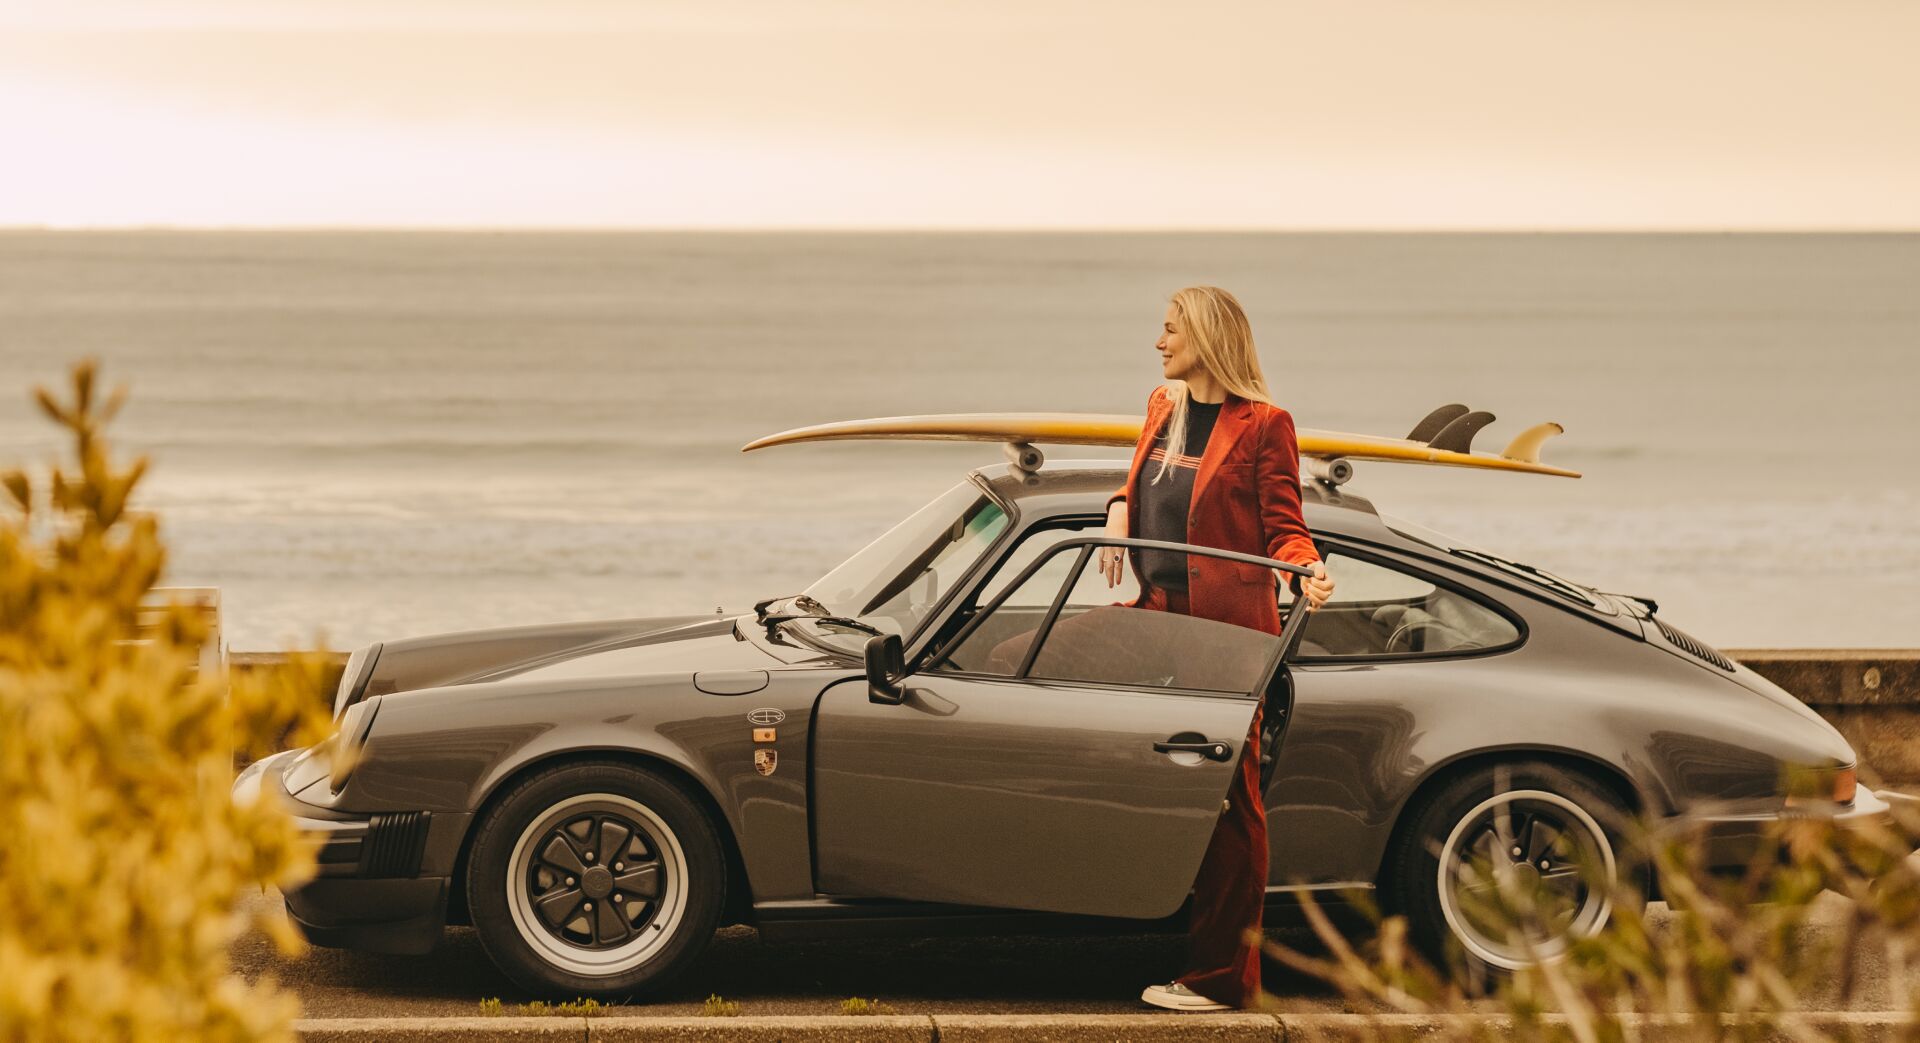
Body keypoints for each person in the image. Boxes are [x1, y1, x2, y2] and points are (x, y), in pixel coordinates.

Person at [1100, 285, 1335, 1012]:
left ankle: (1221, 978)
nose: (1159, 342)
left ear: (1205, 334)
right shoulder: (1160, 407)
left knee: (1234, 801)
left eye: (1169, 330)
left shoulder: (1265, 423)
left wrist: (1308, 567)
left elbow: (1282, 522)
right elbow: (1139, 481)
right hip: (1157, 617)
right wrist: (1115, 511)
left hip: (1229, 636)